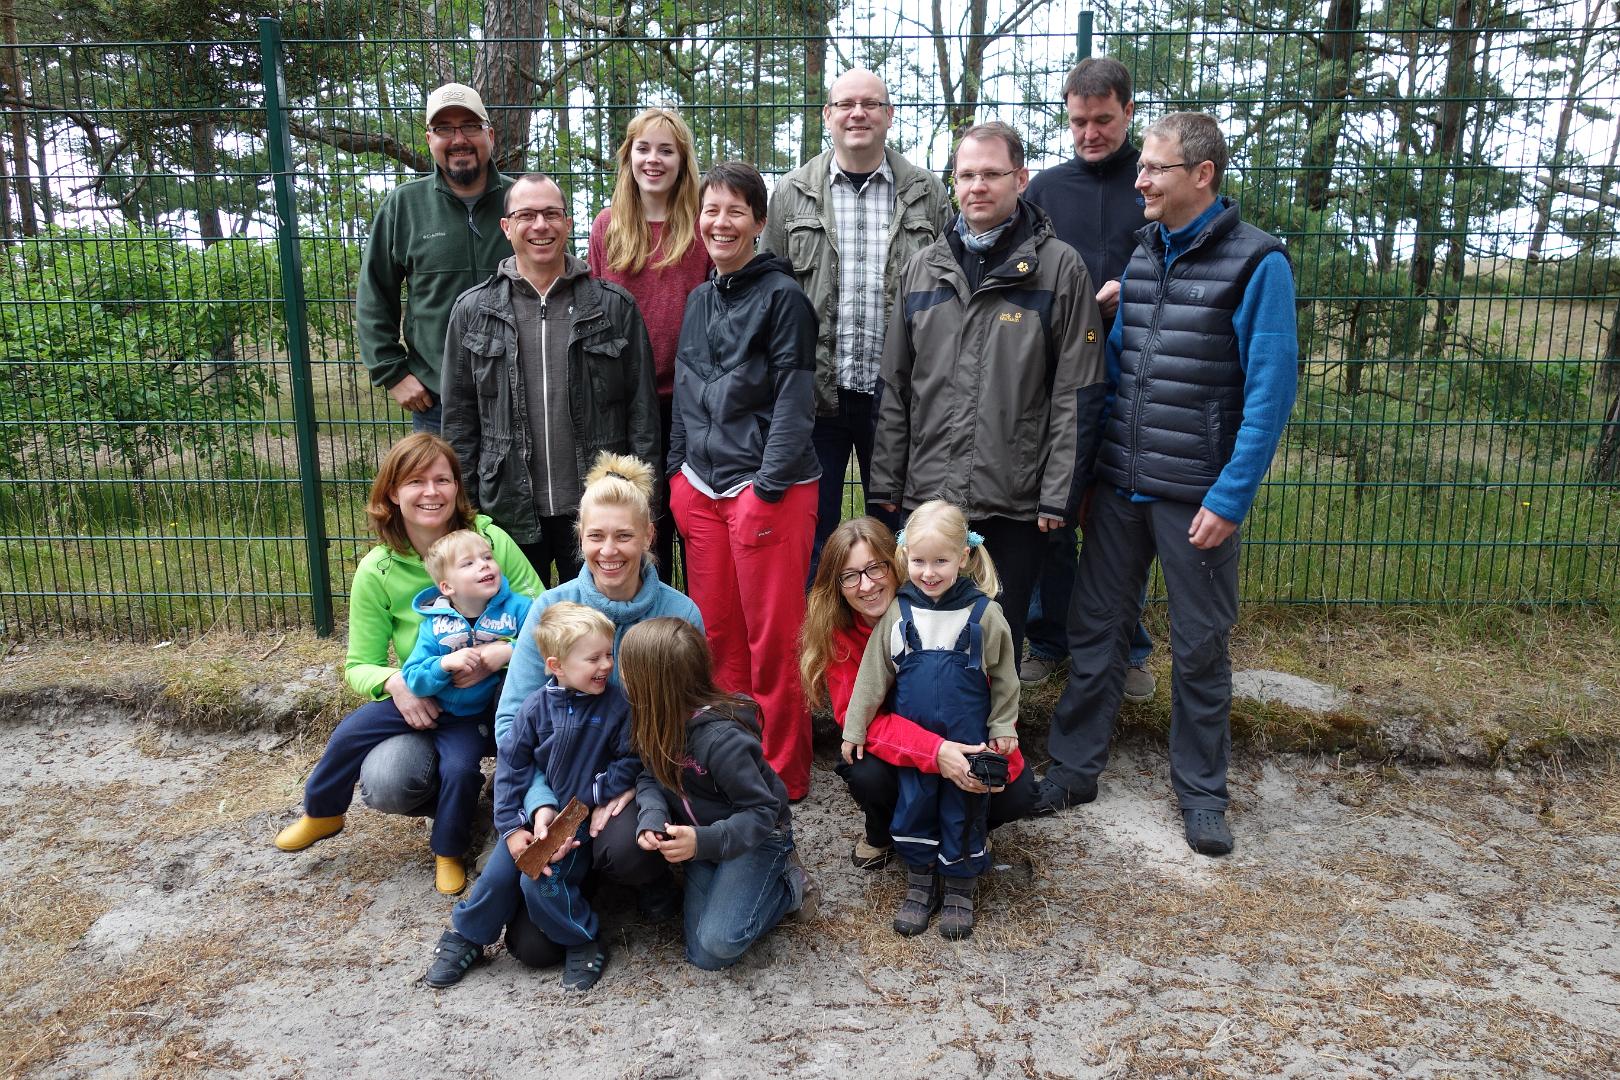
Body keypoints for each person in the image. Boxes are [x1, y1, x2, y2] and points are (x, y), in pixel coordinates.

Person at [1036, 113, 1299, 860]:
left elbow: (1271, 392)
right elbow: (1116, 370)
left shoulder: (1259, 264)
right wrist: (1089, 475)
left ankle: (1202, 795)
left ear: (1202, 175)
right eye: (1142, 167)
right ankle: (1073, 770)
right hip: (1121, 487)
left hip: (1197, 497)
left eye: (1155, 168)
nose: (1140, 180)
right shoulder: (1145, 252)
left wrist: (1230, 496)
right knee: (1096, 634)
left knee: (1200, 647)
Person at [871, 121, 1108, 667]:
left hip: (1015, 498)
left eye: (992, 174)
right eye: (966, 175)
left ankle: (998, 723)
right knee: (925, 633)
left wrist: (1059, 494)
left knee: (998, 634)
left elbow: (1078, 392)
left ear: (1020, 179)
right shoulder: (923, 267)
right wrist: (886, 482)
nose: (977, 186)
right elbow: (896, 385)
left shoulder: (1059, 268)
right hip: (930, 493)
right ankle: (930, 722)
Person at [273, 434, 542, 894]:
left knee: (484, 749)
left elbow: (546, 620)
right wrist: (398, 683)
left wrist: (505, 652)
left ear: (457, 487)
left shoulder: (490, 540)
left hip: (496, 698)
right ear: (393, 493)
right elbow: (359, 665)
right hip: (426, 692)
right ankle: (324, 812)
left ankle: (504, 818)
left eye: (443, 479)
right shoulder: (377, 570)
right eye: (416, 481)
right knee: (380, 770)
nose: (432, 492)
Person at [492, 452, 703, 968]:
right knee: (532, 948)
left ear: (649, 536)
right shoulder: (550, 610)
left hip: (631, 781)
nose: (609, 551)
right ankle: (575, 883)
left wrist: (636, 783)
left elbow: (693, 724)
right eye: (596, 536)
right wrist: (540, 803)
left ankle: (639, 877)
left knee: (625, 848)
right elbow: (510, 723)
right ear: (580, 537)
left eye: (624, 536)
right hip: (556, 791)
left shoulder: (680, 613)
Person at [761, 68, 952, 582]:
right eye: (845, 104)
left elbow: (949, 291)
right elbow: (769, 291)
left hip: (898, 398)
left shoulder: (927, 193)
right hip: (814, 397)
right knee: (815, 537)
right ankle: (821, 629)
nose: (858, 114)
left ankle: (895, 627)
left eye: (871, 104)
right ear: (828, 115)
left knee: (900, 533)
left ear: (889, 115)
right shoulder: (791, 192)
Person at [667, 162, 820, 800]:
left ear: (759, 222)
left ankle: (783, 774)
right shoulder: (699, 298)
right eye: (711, 210)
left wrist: (768, 486)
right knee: (719, 638)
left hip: (766, 491)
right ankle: (733, 761)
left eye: (735, 211)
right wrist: (677, 476)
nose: (720, 223)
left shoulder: (784, 299)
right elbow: (684, 394)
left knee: (773, 640)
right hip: (700, 490)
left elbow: (795, 402)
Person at [441, 172, 660, 587]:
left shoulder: (613, 308)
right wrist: (464, 513)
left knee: (600, 621)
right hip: (507, 507)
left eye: (551, 214)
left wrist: (644, 503)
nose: (540, 225)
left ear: (567, 223)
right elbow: (459, 423)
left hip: (598, 510)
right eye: (526, 215)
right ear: (506, 227)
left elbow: (642, 416)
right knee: (520, 620)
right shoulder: (473, 312)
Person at [1020, 58, 1156, 700]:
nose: (1090, 133)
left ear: (1128, 111)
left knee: (1121, 515)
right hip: (1057, 377)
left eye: (1103, 120)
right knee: (1051, 510)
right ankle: (1049, 639)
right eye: (1078, 121)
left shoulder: (1155, 182)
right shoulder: (1046, 189)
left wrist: (1129, 293)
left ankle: (1126, 647)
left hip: (1140, 374)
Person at [800, 517, 1035, 873]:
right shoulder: (841, 638)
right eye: (850, 576)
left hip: (962, 731)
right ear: (837, 585)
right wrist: (936, 752)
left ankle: (968, 831)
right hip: (903, 752)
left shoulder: (958, 612)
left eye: (875, 568)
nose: (866, 585)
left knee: (1017, 792)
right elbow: (856, 719)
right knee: (865, 771)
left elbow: (996, 682)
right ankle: (883, 831)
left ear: (895, 563)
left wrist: (994, 736)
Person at [425, 603, 637, 992]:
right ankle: (468, 935)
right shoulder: (535, 707)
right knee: (497, 876)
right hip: (531, 820)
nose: (606, 665)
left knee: (542, 883)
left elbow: (630, 761)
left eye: (609, 654)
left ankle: (582, 938)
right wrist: (509, 828)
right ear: (556, 666)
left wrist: (593, 793)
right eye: (593, 658)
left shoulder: (617, 706)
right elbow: (511, 767)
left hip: (578, 822)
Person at [839, 502, 1019, 940]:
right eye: (919, 561)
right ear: (905, 557)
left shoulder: (984, 614)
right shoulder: (899, 613)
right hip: (917, 747)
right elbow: (872, 676)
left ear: (963, 557)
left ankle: (959, 889)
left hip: (969, 742)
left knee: (964, 811)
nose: (929, 572)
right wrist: (855, 727)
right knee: (914, 808)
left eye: (941, 561)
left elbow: (1005, 677)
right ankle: (920, 885)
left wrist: (1003, 726)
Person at [623, 618, 819, 970]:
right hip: (706, 842)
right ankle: (733, 884)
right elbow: (649, 775)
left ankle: (791, 884)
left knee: (717, 947)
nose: (621, 677)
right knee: (700, 952)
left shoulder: (723, 742)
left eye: (627, 670)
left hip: (756, 838)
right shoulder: (653, 721)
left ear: (654, 685)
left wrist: (701, 841)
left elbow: (762, 810)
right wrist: (652, 816)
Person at [588, 107, 712, 578]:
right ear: (629, 157)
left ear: (682, 161)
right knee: (637, 522)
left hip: (689, 401)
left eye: (666, 150)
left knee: (691, 523)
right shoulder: (607, 226)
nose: (653, 160)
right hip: (624, 402)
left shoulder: (701, 226)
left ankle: (693, 617)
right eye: (643, 149)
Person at [356, 83, 512, 432]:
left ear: (490, 135)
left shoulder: (522, 202)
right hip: (438, 402)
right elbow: (373, 296)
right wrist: (393, 373)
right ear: (429, 140)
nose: (459, 139)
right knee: (442, 474)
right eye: (444, 129)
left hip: (519, 394)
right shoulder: (404, 206)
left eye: (469, 126)